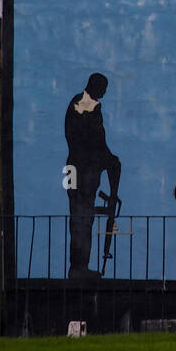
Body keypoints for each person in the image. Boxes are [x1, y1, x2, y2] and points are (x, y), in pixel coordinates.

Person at [64, 72, 121, 280]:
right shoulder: (91, 107)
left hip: (75, 168)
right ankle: (79, 268)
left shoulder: (77, 103)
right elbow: (97, 141)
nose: (104, 94)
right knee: (82, 220)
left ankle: (79, 267)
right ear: (96, 87)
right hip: (84, 169)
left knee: (80, 219)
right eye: (103, 90)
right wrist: (109, 160)